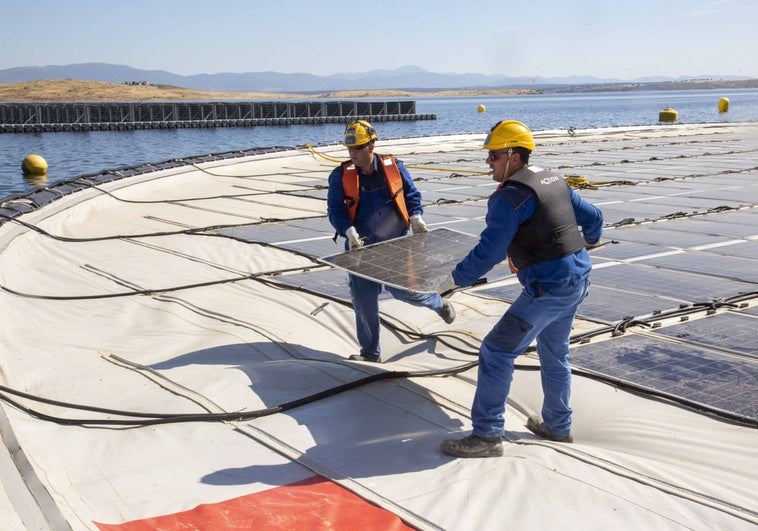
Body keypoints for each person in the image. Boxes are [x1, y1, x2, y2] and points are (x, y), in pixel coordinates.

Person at [438, 120, 603, 457]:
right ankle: (558, 426)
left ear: (513, 155)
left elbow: (491, 251)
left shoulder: (509, 198)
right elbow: (594, 217)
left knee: (496, 351)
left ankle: (486, 436)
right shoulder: (554, 180)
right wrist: (590, 242)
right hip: (578, 281)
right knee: (555, 353)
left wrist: (454, 280)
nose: (488, 162)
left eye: (494, 155)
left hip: (549, 288)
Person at [327, 120, 456, 363]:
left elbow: (411, 195)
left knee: (406, 293)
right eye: (349, 149)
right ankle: (370, 354)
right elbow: (335, 210)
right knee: (363, 303)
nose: (352, 154)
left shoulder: (393, 167)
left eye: (358, 148)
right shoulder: (341, 176)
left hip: (395, 246)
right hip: (360, 249)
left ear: (371, 146)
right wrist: (347, 230)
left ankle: (438, 302)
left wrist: (416, 215)